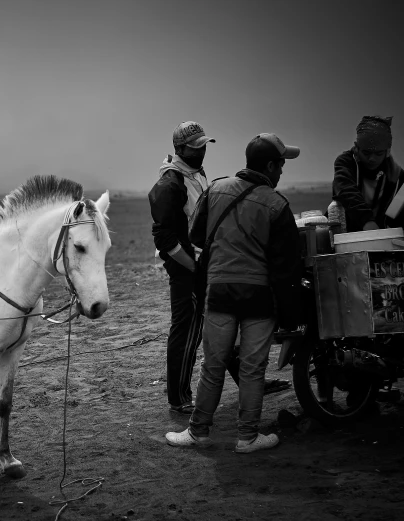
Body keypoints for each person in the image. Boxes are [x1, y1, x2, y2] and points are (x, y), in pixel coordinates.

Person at [165, 133, 303, 453]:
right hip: (258, 297)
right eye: (280, 165)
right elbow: (286, 268)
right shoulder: (277, 204)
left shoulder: (215, 188)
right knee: (252, 370)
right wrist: (291, 316)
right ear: (269, 166)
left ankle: (197, 432)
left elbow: (197, 235)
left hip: (220, 291)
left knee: (213, 365)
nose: (282, 171)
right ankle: (248, 437)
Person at [149, 121, 214, 414]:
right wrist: (193, 265)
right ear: (179, 149)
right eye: (194, 148)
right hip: (186, 266)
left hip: (199, 263)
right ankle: (178, 398)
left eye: (203, 146)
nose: (200, 152)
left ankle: (254, 383)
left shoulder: (194, 174)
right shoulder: (170, 183)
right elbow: (163, 237)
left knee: (205, 324)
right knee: (186, 328)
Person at [333, 116, 404, 232]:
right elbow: (346, 191)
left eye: (378, 153)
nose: (372, 159)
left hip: (383, 238)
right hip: (345, 235)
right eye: (366, 153)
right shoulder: (345, 162)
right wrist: (367, 221)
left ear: (388, 152)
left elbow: (397, 214)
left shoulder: (397, 176)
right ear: (356, 148)